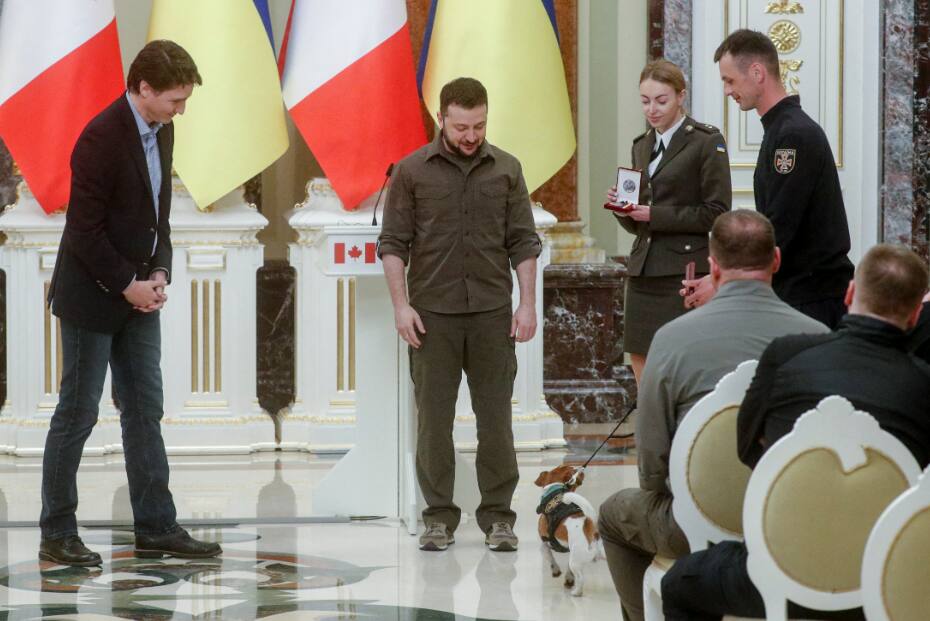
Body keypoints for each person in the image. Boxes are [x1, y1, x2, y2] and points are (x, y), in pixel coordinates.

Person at [661, 244, 930, 621]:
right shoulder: (923, 384)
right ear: (917, 314)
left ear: (850, 293)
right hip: (888, 582)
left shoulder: (786, 355)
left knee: (679, 584)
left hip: (778, 574)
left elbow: (748, 450)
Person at [40, 40, 220, 567]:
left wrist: (160, 270)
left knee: (145, 410)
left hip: (140, 298)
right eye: (174, 100)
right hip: (92, 298)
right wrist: (128, 284)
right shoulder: (99, 137)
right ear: (143, 88)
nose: (180, 110)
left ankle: (157, 526)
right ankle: (57, 531)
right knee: (77, 412)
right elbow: (83, 232)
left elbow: (158, 215)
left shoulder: (163, 132)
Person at [598, 210, 827, 621]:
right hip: (791, 528)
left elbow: (651, 470)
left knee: (614, 516)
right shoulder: (819, 337)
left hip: (692, 528)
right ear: (776, 260)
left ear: (713, 266)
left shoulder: (669, 339)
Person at [377, 77, 541, 552]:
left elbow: (524, 242)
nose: (471, 136)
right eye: (462, 126)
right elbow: (392, 245)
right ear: (442, 119)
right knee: (433, 421)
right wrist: (400, 306)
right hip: (432, 317)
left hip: (492, 314)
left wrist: (527, 304)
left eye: (479, 125)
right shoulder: (411, 172)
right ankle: (438, 517)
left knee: (496, 421)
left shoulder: (507, 169)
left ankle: (498, 518)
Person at [684, 29, 854, 328]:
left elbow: (779, 225)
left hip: (811, 300)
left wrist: (724, 281)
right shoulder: (783, 130)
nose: (726, 90)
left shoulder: (792, 135)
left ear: (757, 72)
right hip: (800, 294)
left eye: (729, 80)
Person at [608, 59, 731, 383]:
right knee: (640, 356)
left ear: (681, 96)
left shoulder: (706, 140)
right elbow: (640, 223)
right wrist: (625, 211)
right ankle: (650, 429)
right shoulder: (642, 144)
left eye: (661, 100)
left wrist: (654, 214)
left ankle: (682, 431)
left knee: (684, 361)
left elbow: (716, 211)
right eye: (645, 101)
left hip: (683, 268)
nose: (652, 109)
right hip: (644, 268)